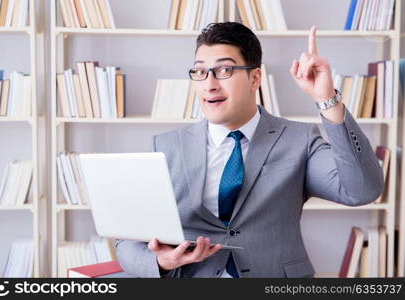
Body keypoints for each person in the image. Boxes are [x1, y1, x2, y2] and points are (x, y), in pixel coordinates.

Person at [115, 22, 383, 278]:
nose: (209, 84)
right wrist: (161, 262)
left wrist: (327, 101)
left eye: (224, 71)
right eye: (200, 71)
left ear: (255, 78)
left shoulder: (299, 139)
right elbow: (126, 241)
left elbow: (362, 190)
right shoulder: (164, 146)